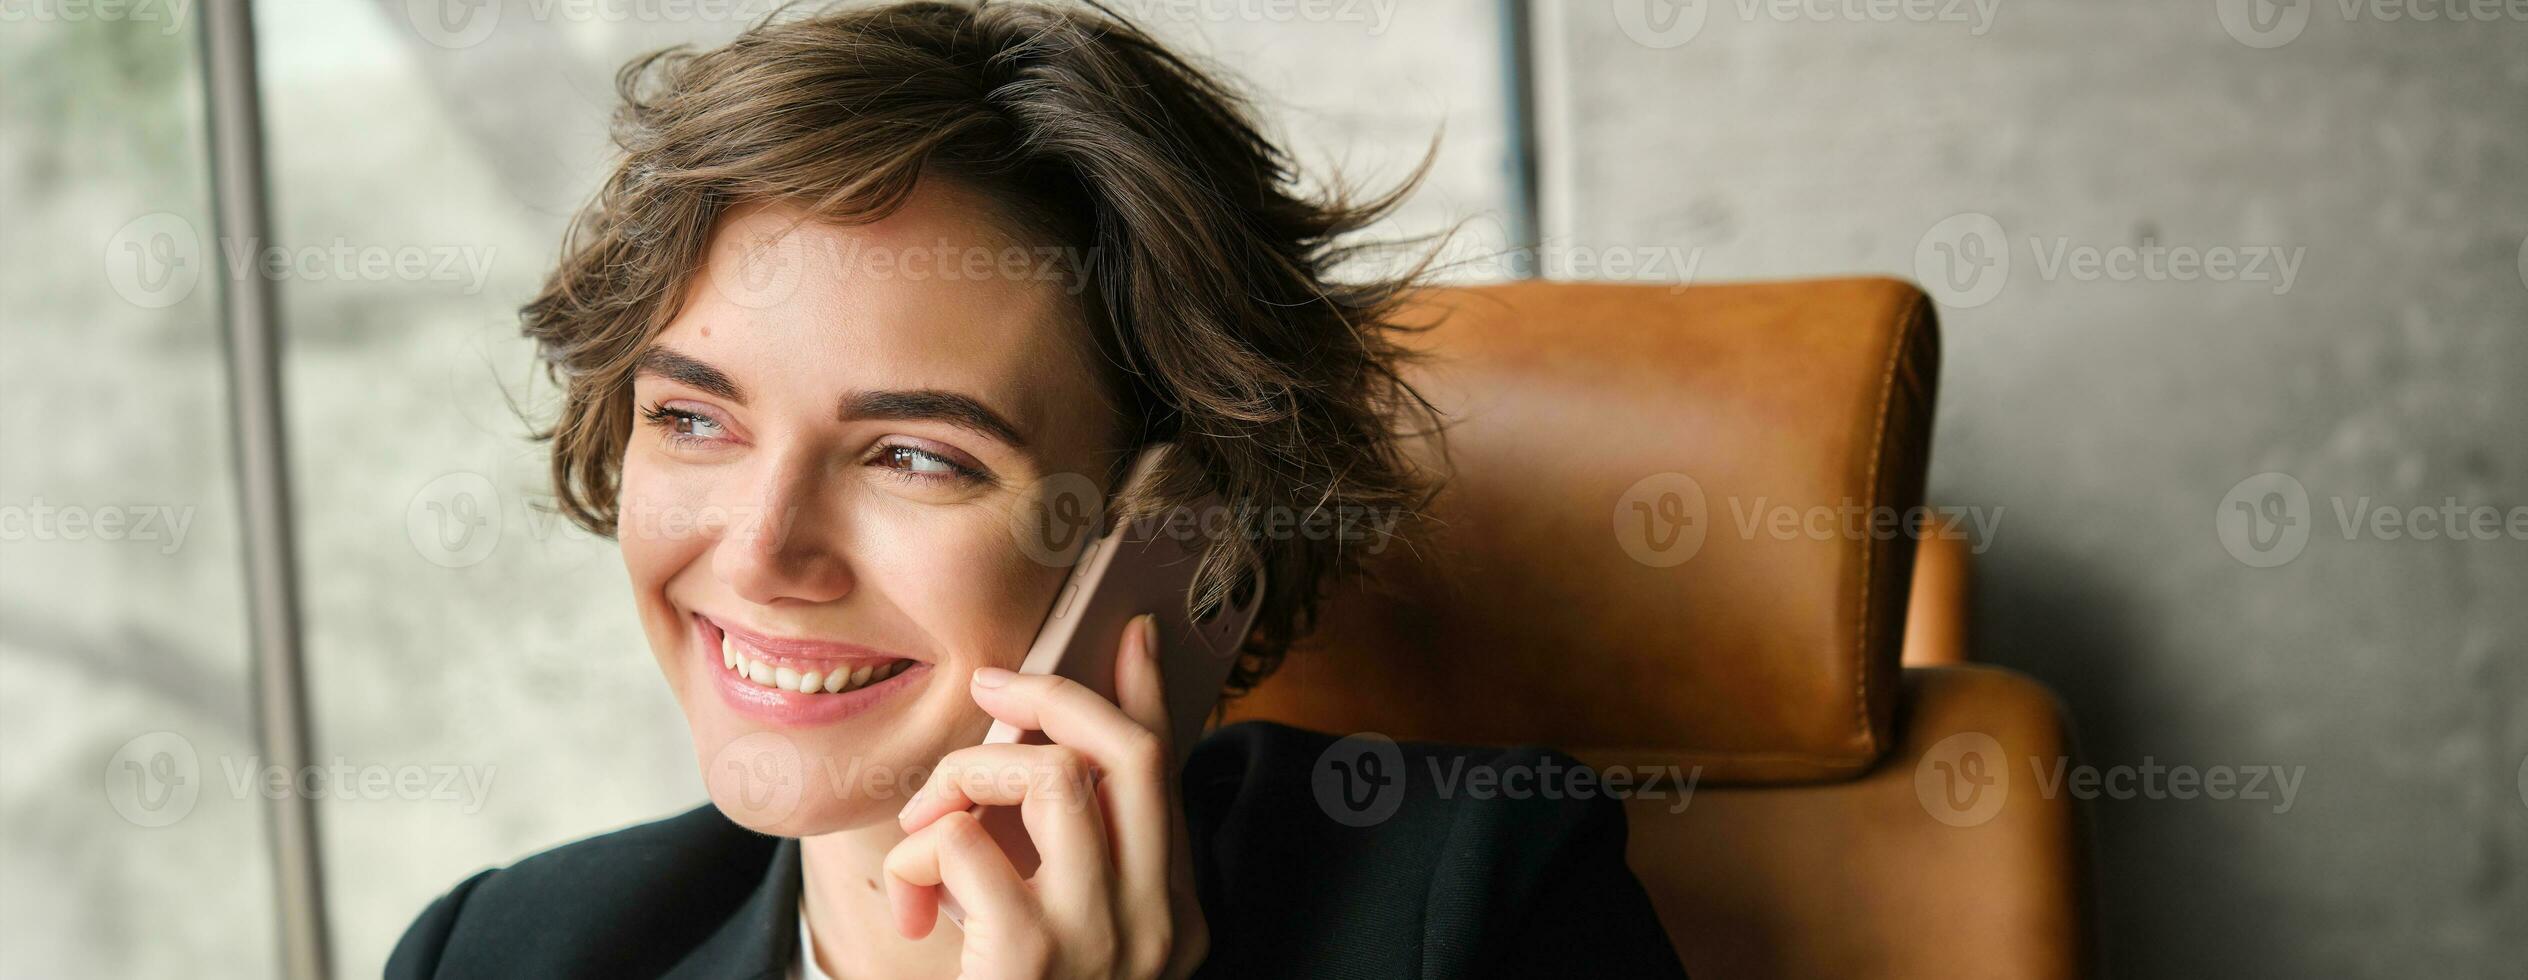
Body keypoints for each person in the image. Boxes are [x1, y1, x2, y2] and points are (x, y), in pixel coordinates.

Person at [386, 2, 1688, 977]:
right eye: (692, 417)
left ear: (1183, 535)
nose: (765, 550)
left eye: (914, 455)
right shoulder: (504, 950)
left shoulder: (1467, 908)